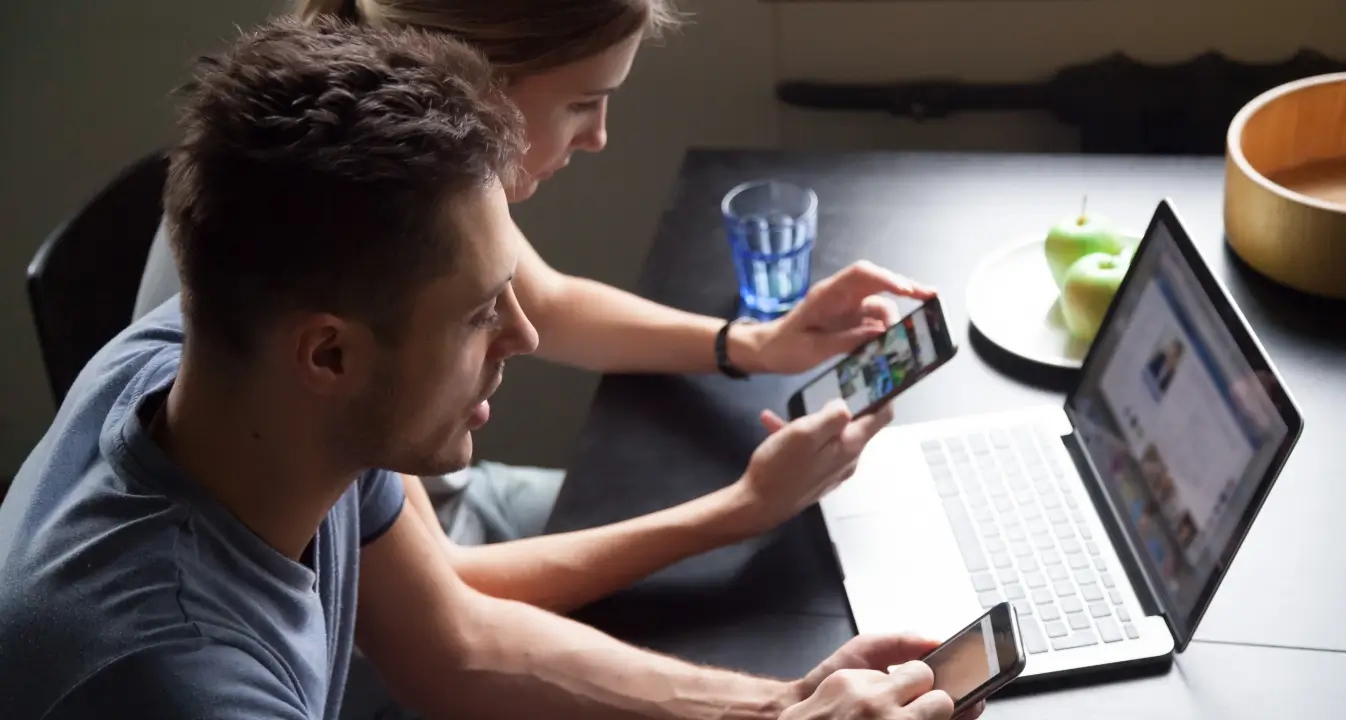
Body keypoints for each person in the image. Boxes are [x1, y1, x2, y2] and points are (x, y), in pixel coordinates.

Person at [0, 19, 974, 720]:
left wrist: (777, 706)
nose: (520, 332)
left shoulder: (233, 376)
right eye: (477, 314)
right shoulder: (177, 680)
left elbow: (457, 652)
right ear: (330, 352)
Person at [131, 0, 936, 572]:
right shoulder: (342, 242)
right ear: (478, 87)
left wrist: (753, 344)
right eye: (584, 102)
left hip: (463, 509)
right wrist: (741, 511)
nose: (600, 137)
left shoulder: (397, 155)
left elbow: (546, 300)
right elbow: (448, 624)